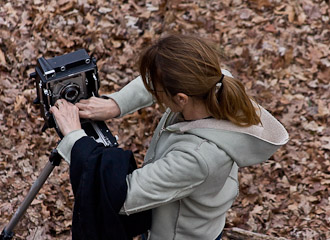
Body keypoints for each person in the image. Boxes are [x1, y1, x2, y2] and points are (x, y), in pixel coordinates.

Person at [50, 34, 289, 240]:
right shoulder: (213, 83)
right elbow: (162, 79)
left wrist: (74, 138)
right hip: (173, 215)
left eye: (158, 91)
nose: (154, 91)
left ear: (181, 99)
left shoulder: (197, 157)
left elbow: (124, 196)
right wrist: (116, 104)